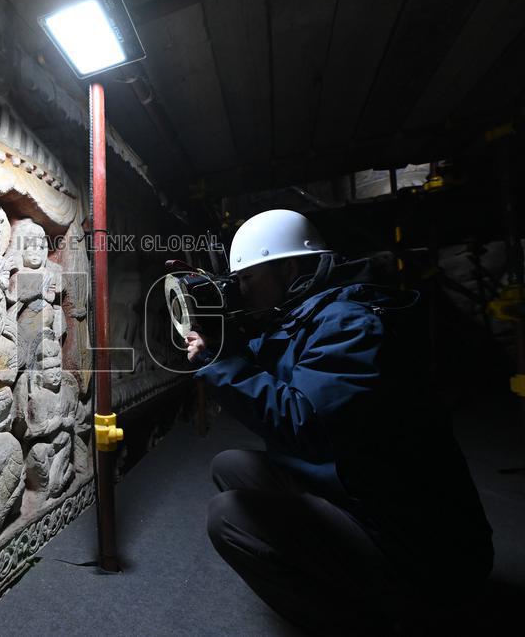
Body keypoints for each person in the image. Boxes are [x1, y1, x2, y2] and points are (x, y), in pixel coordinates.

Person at [187, 209, 492, 635]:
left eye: (247, 279)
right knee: (230, 465)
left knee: (228, 516)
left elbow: (300, 422)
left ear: (289, 268)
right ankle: (342, 571)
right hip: (364, 488)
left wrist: (218, 363)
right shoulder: (315, 314)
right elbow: (270, 356)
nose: (240, 290)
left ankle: (367, 620)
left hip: (420, 549)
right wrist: (222, 341)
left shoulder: (350, 324)